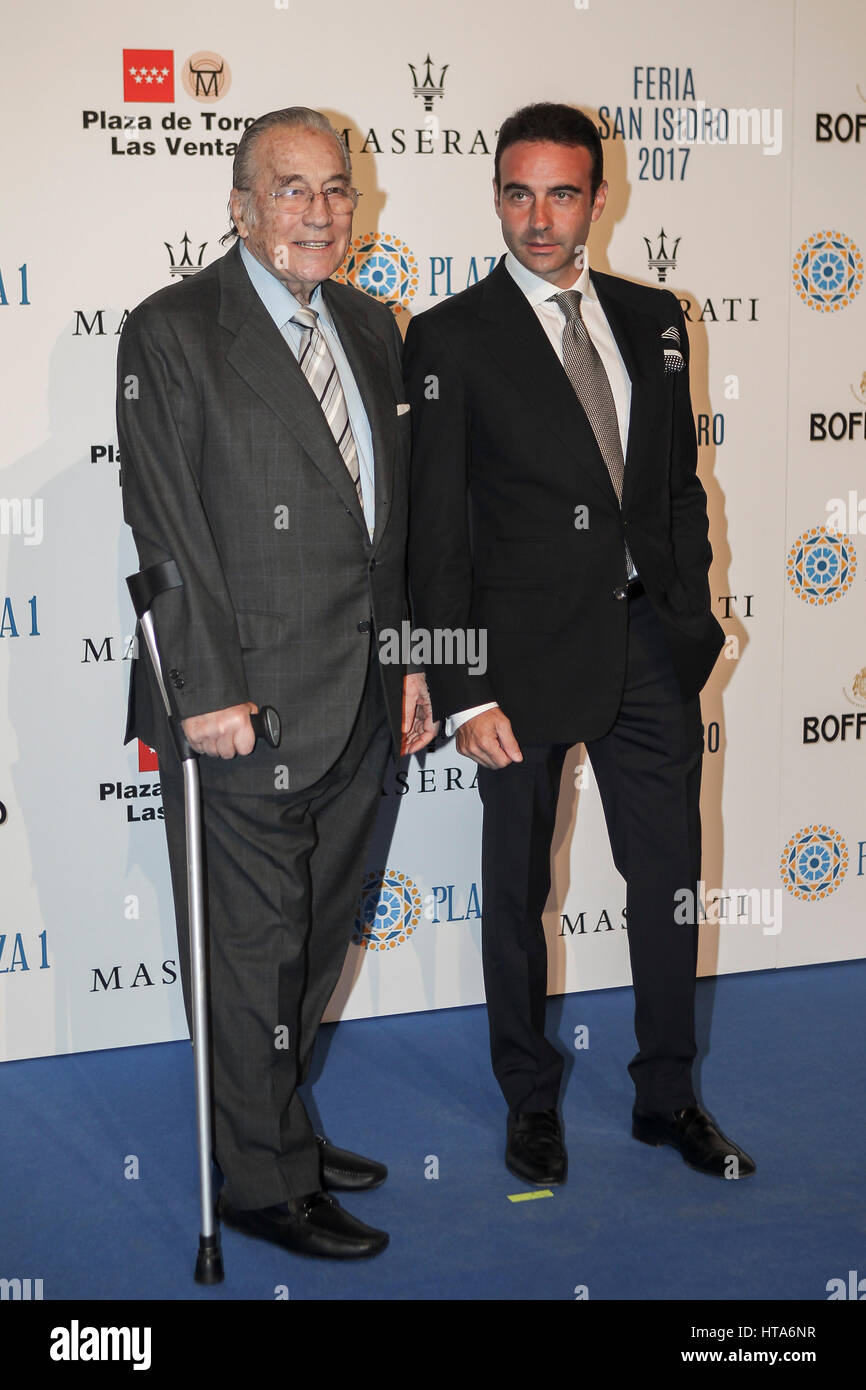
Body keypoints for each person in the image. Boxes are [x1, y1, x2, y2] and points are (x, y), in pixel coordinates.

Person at [404, 103, 754, 1186]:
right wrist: (462, 689)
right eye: (517, 192)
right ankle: (529, 1100)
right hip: (513, 666)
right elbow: (431, 530)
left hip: (648, 644)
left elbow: (675, 488)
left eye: (561, 193)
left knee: (666, 879)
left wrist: (688, 618)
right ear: (495, 196)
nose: (538, 217)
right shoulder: (449, 337)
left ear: (599, 198)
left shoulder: (655, 317)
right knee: (513, 892)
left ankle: (667, 1096)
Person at [118, 106, 436, 1260]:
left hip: (358, 693)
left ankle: (275, 1122)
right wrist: (205, 688)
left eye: (333, 189)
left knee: (310, 938)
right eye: (289, 189)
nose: (317, 210)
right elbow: (164, 525)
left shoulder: (367, 321)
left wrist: (404, 661)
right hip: (239, 704)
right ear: (241, 206)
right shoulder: (173, 331)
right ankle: (258, 1179)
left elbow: (381, 528)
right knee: (253, 948)